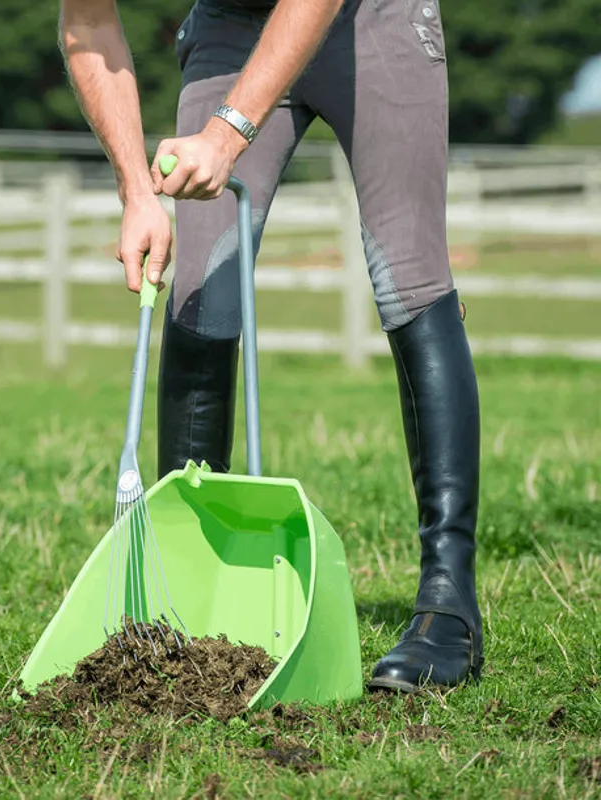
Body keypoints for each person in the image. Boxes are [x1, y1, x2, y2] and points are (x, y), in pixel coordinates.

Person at [58, 0, 483, 693]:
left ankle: (448, 605)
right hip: (230, 24)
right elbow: (88, 26)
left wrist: (226, 133)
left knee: (409, 278)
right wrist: (137, 189)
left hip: (368, 17)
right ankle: (187, 595)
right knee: (199, 287)